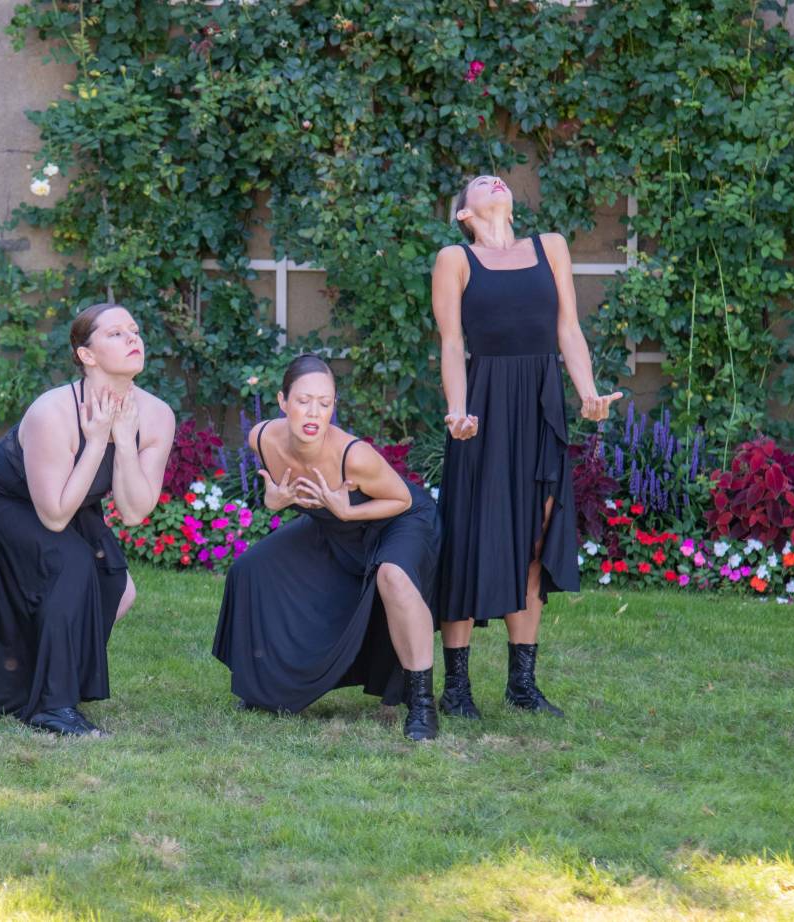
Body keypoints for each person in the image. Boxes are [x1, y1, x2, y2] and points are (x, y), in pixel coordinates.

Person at [432, 175, 621, 719]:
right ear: (464, 213)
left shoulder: (551, 246)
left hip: (540, 403)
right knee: (470, 537)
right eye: (478, 185)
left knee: (536, 538)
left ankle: (521, 685)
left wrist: (587, 393)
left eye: (499, 180)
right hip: (483, 408)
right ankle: (458, 688)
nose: (494, 182)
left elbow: (568, 328)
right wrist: (458, 411)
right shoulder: (455, 259)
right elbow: (451, 343)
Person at [0, 303, 175, 736]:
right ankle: (52, 706)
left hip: (71, 498)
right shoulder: (53, 411)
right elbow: (53, 517)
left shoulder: (157, 415)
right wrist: (95, 441)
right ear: (86, 355)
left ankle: (47, 675)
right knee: (69, 561)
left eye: (134, 330)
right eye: (115, 334)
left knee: (117, 587)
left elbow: (134, 512)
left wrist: (124, 442)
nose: (133, 339)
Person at [212, 354, 443, 741]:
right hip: (336, 525)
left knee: (393, 576)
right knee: (251, 568)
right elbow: (276, 496)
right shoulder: (261, 439)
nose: (313, 413)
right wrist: (274, 501)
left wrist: (346, 511)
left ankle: (421, 702)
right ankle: (263, 688)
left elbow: (401, 500)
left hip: (398, 521)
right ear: (283, 401)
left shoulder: (353, 454)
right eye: (303, 401)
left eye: (325, 403)